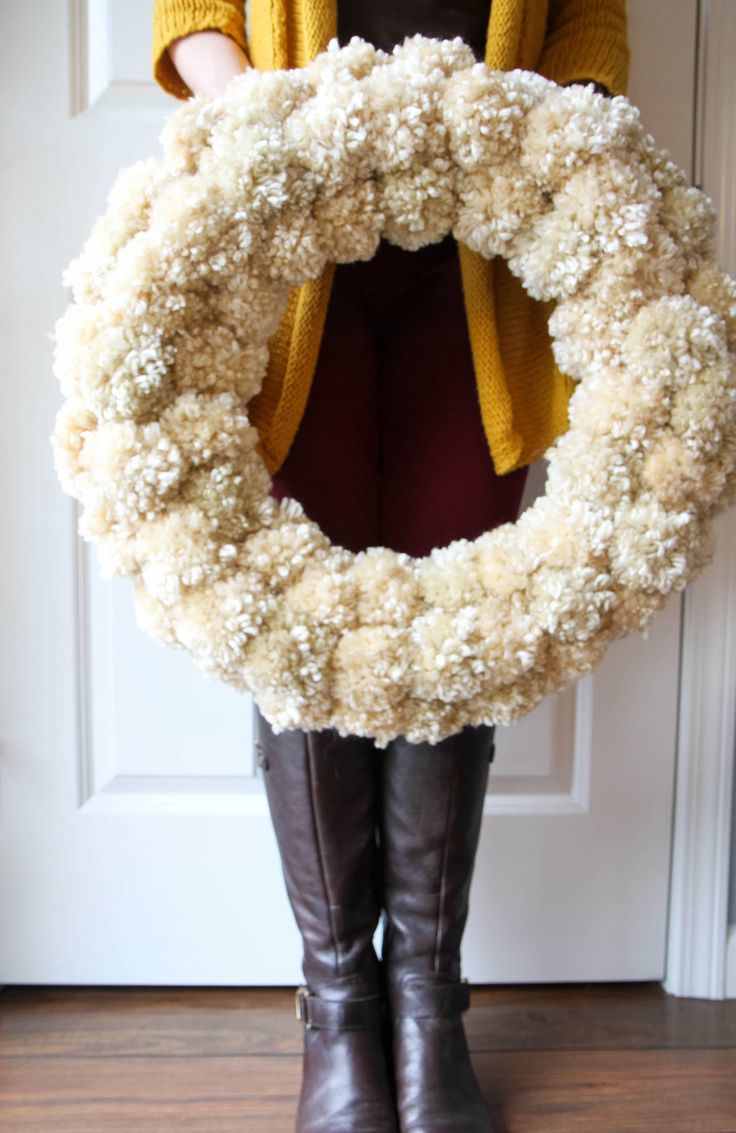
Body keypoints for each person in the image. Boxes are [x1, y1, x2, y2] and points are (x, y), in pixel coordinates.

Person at [151, 4, 629, 1130]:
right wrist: (264, 119)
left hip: (479, 263)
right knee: (300, 633)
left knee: (452, 639)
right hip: (288, 257)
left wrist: (541, 133)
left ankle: (426, 1002)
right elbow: (190, 15)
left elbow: (592, 28)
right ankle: (338, 1004)